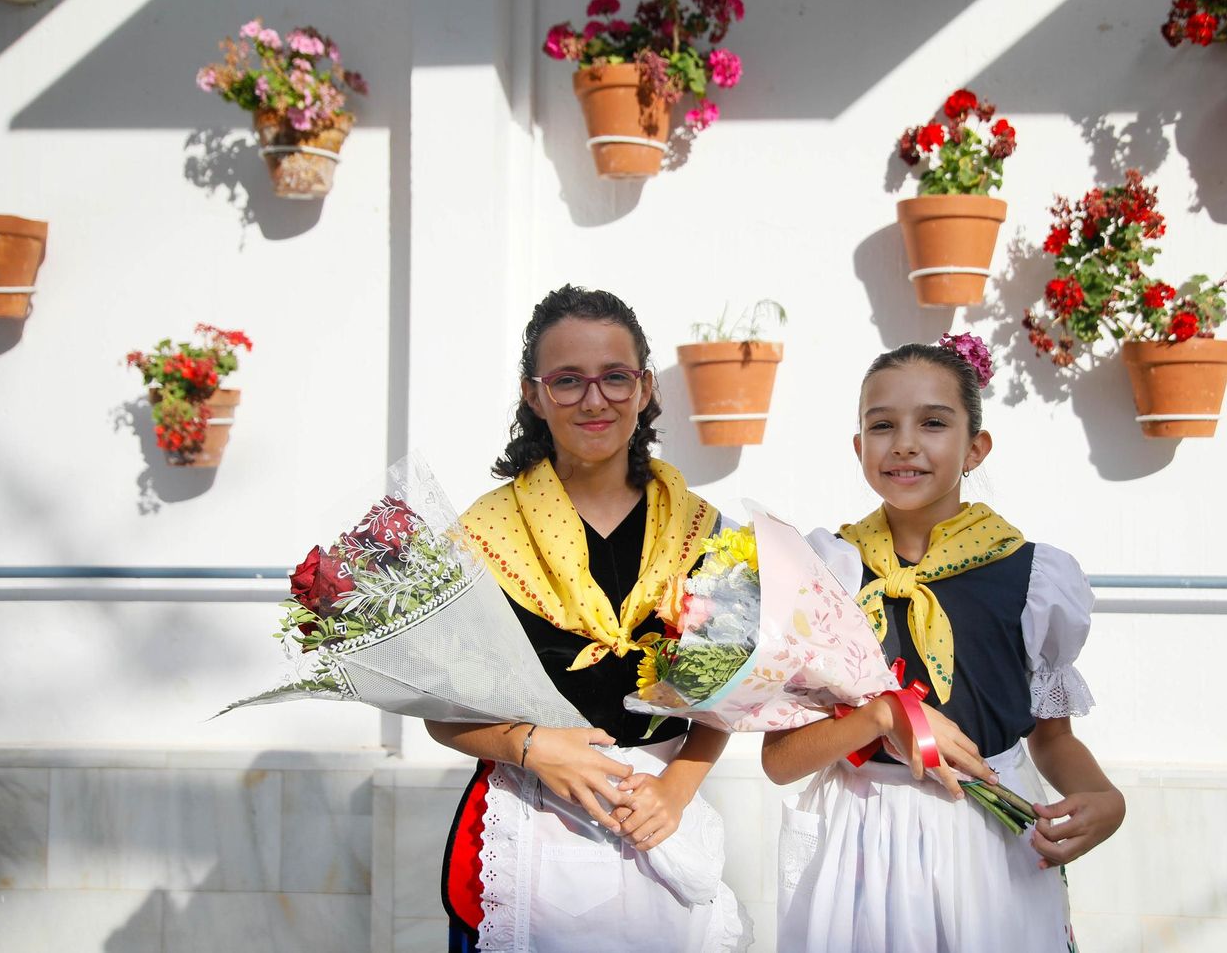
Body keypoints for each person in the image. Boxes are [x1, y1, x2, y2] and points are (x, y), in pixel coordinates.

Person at [766, 338, 1125, 952]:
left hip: (988, 843)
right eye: (882, 426)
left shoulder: (1032, 578)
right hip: (862, 841)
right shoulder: (827, 571)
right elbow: (780, 761)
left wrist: (1104, 797)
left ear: (975, 448)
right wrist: (883, 715)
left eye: (933, 422)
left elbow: (1052, 736)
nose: (904, 442)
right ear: (859, 448)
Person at [427, 285, 747, 952]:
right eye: (567, 381)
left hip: (659, 821)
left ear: (646, 387)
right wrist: (534, 747)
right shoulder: (486, 535)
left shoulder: (707, 535)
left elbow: (727, 693)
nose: (594, 399)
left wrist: (679, 790)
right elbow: (438, 708)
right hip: (524, 820)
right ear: (533, 395)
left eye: (615, 377)